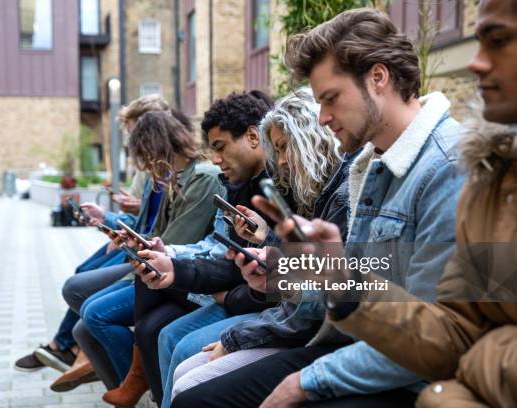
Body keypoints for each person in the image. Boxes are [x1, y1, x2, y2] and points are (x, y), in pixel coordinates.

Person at [172, 7, 466, 408]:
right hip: (350, 341)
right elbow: (361, 286)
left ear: (378, 78)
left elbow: (437, 339)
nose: (323, 117)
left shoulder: (446, 169)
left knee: (198, 394)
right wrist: (281, 275)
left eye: (330, 99)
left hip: (406, 374)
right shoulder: (372, 164)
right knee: (194, 388)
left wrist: (307, 382)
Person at [306, 1, 517, 407]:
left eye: (498, 40)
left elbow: (452, 343)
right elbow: (458, 330)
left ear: (378, 78)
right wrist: (286, 268)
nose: (474, 63)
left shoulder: (453, 168)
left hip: (388, 370)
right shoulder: (491, 181)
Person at [159, 88, 346, 407]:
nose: (283, 160)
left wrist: (237, 331)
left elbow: (319, 299)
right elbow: (305, 280)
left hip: (310, 330)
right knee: (175, 348)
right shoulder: (311, 191)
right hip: (286, 313)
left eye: (285, 148)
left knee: (189, 372)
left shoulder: (333, 194)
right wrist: (266, 252)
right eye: (279, 150)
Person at [102, 91, 276, 407]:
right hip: (268, 305)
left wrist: (237, 314)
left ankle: (138, 376)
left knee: (172, 343)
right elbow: (293, 281)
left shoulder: (242, 183)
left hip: (279, 314)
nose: (215, 159)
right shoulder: (246, 185)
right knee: (146, 310)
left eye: (286, 146)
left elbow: (328, 291)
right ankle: (139, 376)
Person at [61, 110, 224, 396]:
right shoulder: (167, 177)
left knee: (95, 312)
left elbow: (175, 244)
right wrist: (122, 231)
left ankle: (137, 384)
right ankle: (132, 384)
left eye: (145, 157)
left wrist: (138, 243)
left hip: (187, 276)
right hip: (171, 267)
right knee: (86, 308)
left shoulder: (202, 179)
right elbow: (160, 238)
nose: (144, 166)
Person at [13, 95, 171, 375]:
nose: (132, 141)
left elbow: (163, 235)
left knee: (82, 291)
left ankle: (70, 348)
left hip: (152, 254)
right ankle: (70, 348)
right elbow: (148, 224)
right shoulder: (152, 174)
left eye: (136, 133)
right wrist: (110, 220)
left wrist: (116, 221)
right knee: (82, 273)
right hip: (139, 243)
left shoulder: (171, 176)